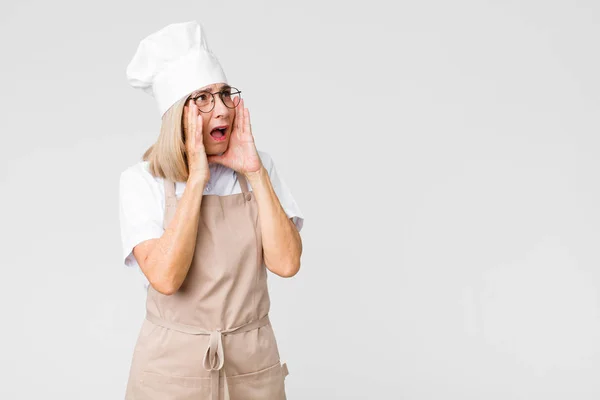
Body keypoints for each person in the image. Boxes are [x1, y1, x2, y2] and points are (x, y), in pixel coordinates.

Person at [119, 21, 304, 399]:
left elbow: (287, 263)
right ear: (177, 115)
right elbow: (166, 279)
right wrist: (198, 177)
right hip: (170, 370)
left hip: (252, 364)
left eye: (224, 95)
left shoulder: (258, 168)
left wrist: (253, 172)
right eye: (202, 98)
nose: (222, 109)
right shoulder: (141, 181)